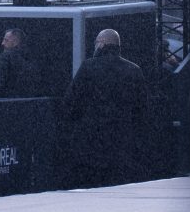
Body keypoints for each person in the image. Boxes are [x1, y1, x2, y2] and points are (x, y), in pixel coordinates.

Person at [62, 27, 148, 187]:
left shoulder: (88, 67)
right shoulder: (133, 70)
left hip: (92, 140)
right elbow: (142, 108)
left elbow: (71, 101)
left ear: (101, 43)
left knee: (92, 184)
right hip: (122, 141)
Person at [0, 26, 31, 97]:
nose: (2, 43)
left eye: (6, 40)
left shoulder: (6, 56)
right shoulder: (29, 58)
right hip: (27, 99)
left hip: (7, 99)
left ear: (15, 42)